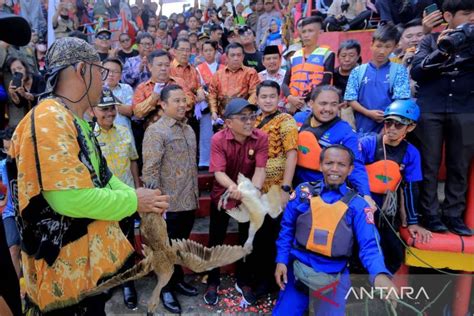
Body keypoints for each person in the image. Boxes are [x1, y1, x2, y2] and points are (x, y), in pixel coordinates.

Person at [8, 37, 169, 315]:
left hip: (85, 274)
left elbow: (103, 176)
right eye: (100, 72)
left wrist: (143, 199)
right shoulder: (49, 119)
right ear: (82, 69)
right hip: (63, 279)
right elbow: (68, 199)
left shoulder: (76, 119)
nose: (104, 81)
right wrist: (133, 200)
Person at [273, 145, 396, 315]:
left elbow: (370, 245)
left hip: (335, 276)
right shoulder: (303, 192)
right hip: (298, 271)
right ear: (320, 165)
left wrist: (379, 274)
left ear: (350, 169)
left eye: (341, 164)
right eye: (329, 163)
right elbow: (286, 229)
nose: (334, 169)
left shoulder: (358, 205)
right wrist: (281, 260)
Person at [410, 0, 474, 236]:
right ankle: (430, 214)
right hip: (431, 109)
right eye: (466, 13)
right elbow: (417, 71)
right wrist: (443, 49)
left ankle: (454, 216)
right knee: (429, 164)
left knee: (460, 165)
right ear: (448, 16)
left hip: (466, 110)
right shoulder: (428, 40)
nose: (472, 18)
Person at [204, 98, 268, 306]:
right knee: (216, 237)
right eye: (243, 118)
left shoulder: (261, 138)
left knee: (246, 238)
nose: (250, 122)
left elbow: (260, 169)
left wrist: (254, 191)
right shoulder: (218, 139)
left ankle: (243, 280)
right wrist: (233, 188)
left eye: (252, 117)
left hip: (248, 193)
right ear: (229, 122)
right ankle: (212, 280)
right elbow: (219, 172)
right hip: (223, 192)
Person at [142, 84, 199, 314]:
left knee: (180, 244)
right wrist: (155, 206)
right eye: (176, 101)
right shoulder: (156, 131)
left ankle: (176, 281)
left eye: (184, 100)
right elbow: (150, 171)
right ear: (163, 105)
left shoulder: (188, 130)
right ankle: (165, 288)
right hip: (168, 204)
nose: (182, 104)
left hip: (188, 200)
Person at [360, 99, 432, 273]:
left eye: (398, 125)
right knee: (360, 246)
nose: (391, 128)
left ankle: (381, 291)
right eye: (388, 122)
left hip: (386, 210)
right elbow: (355, 175)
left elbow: (410, 188)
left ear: (410, 127)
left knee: (394, 254)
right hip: (363, 204)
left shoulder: (411, 153)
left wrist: (412, 222)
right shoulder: (368, 143)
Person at [89, 88, 141, 310]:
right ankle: (110, 281)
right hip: (103, 201)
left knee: (127, 241)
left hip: (127, 197)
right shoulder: (88, 138)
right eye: (104, 109)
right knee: (106, 243)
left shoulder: (124, 131)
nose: (109, 113)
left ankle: (128, 282)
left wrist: (138, 189)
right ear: (93, 111)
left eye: (112, 108)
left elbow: (133, 161)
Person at [252, 80, 298, 296]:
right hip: (257, 187)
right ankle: (260, 279)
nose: (268, 100)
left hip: (277, 189)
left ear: (279, 98)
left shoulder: (286, 121)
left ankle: (274, 282)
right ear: (257, 98)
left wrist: (286, 188)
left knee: (274, 235)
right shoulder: (253, 119)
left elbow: (291, 154)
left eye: (272, 96)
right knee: (259, 235)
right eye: (264, 96)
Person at [294, 85, 373, 208]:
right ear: (311, 103)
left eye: (333, 104)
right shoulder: (297, 119)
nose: (328, 109)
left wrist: (366, 195)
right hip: (292, 184)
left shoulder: (346, 132)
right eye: (323, 103)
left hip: (321, 191)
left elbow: (356, 165)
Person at [344, 22, 411, 135]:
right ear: (371, 44)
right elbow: (350, 99)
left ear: (395, 47)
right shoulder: (358, 71)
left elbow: (401, 101)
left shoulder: (399, 71)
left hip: (388, 128)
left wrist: (388, 120)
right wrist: (368, 113)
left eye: (388, 47)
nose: (382, 51)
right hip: (360, 127)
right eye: (378, 46)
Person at [282, 16, 335, 113]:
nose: (306, 35)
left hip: (314, 105)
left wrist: (302, 100)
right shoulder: (294, 57)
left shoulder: (327, 54)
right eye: (304, 31)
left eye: (310, 31)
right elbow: (285, 83)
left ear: (320, 33)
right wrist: (290, 97)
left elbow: (325, 82)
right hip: (292, 105)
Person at [208, 43, 261, 121]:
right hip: (223, 117)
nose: (236, 58)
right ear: (226, 57)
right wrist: (213, 112)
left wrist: (245, 109)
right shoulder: (218, 74)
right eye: (232, 55)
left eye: (239, 55)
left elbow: (255, 92)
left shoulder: (250, 72)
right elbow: (212, 94)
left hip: (244, 117)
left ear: (243, 56)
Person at [196, 40, 225, 169]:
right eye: (205, 50)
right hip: (206, 104)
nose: (208, 53)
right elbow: (198, 86)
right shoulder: (198, 68)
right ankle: (205, 161)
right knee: (206, 133)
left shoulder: (223, 68)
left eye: (210, 50)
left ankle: (222, 160)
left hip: (221, 103)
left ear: (215, 51)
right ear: (202, 52)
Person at [7, 57, 46, 126]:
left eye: (20, 68)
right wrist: (13, 94)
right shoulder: (17, 84)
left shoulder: (38, 79)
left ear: (25, 68)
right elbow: (20, 104)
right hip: (29, 119)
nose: (18, 71)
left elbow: (42, 98)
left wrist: (25, 94)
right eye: (14, 70)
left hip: (43, 115)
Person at [102, 58, 134, 135]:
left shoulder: (126, 88)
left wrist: (108, 94)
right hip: (101, 135)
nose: (111, 74)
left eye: (115, 71)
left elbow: (130, 111)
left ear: (120, 75)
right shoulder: (94, 89)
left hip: (123, 135)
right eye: (107, 70)